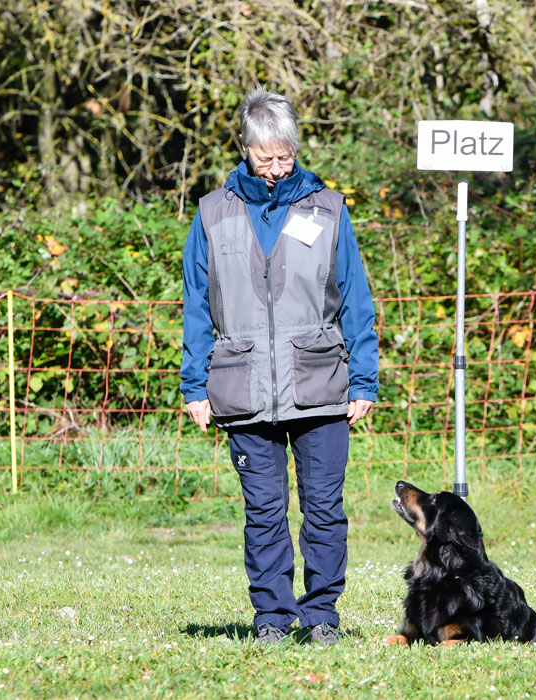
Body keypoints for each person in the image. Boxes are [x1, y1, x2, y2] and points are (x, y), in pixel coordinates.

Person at [179, 86, 379, 645]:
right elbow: (197, 303)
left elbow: (356, 300)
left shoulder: (329, 208)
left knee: (323, 511)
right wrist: (195, 386)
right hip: (241, 385)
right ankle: (271, 616)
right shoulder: (212, 213)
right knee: (263, 513)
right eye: (265, 157)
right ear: (243, 148)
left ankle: (321, 617)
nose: (275, 167)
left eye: (284, 156)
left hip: (319, 382)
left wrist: (364, 379)